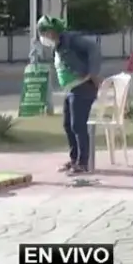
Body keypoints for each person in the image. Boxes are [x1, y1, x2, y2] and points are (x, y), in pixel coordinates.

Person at [37, 16, 102, 174]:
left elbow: (93, 48)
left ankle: (83, 162)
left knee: (77, 125)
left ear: (53, 32)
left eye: (44, 33)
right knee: (68, 125)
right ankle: (74, 159)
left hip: (82, 86)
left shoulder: (71, 40)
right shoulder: (58, 46)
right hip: (71, 89)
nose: (43, 38)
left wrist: (93, 73)